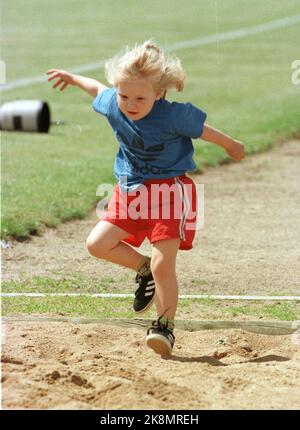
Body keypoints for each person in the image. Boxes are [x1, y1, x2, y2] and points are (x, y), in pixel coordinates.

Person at [46, 40, 244, 356]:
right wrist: (72, 78)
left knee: (164, 262)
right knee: (98, 244)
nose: (131, 103)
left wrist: (231, 144)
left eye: (140, 97)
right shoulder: (114, 102)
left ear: (159, 93)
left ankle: (164, 327)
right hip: (130, 190)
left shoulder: (173, 116)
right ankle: (143, 269)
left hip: (168, 193)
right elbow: (97, 90)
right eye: (124, 95)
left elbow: (204, 130)